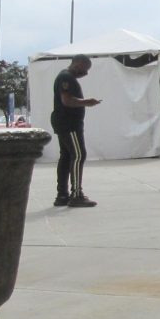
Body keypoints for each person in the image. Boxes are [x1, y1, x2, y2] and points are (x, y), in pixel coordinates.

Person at [51, 54, 101, 207]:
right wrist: (88, 102)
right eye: (84, 69)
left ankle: (62, 195)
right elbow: (67, 100)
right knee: (79, 155)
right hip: (69, 124)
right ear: (78, 64)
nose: (85, 73)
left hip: (64, 122)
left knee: (66, 157)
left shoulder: (64, 76)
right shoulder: (66, 78)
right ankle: (77, 194)